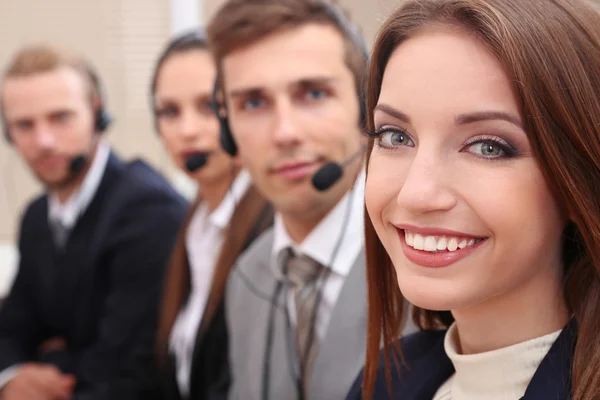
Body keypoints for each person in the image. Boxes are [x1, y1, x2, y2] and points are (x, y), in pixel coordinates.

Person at [345, 0, 600, 399]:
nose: (417, 193)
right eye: (395, 136)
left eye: (487, 147)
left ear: (578, 177)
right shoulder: (384, 382)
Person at [208, 1, 415, 398]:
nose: (285, 132)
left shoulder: (429, 269)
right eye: (253, 103)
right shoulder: (247, 279)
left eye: (313, 93)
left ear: (365, 107)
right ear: (227, 133)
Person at [0, 44, 187, 400]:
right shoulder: (37, 217)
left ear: (97, 114)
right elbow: (11, 331)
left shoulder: (149, 210)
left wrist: (54, 356)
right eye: (24, 125)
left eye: (61, 118)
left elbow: (123, 374)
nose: (44, 141)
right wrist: (10, 378)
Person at [121, 30, 274, 400]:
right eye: (169, 112)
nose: (187, 131)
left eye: (208, 107)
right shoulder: (194, 224)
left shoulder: (273, 228)